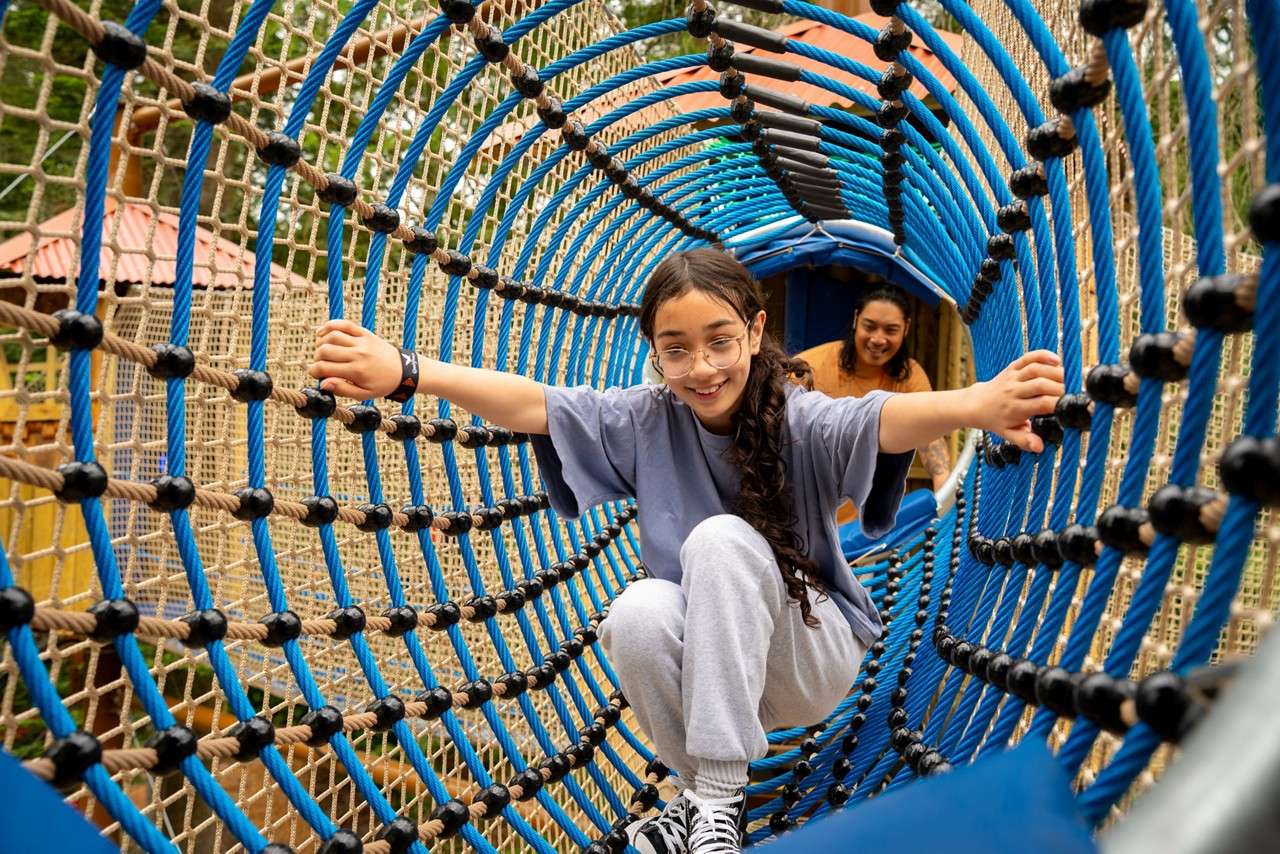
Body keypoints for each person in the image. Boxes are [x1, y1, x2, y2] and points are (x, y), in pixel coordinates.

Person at [307, 248, 1064, 854]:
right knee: (635, 611)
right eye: (677, 350)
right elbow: (533, 402)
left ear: (756, 333)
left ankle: (716, 797)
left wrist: (978, 404)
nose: (701, 368)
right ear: (656, 355)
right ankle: (705, 807)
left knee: (721, 539)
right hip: (712, 671)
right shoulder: (645, 418)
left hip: (806, 656)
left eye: (719, 342)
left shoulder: (799, 417)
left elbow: (881, 418)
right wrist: (407, 374)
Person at [796, 286, 951, 510]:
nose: (878, 339)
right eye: (870, 327)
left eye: (891, 330)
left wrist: (945, 498)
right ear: (856, 320)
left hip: (873, 523)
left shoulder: (909, 376)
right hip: (812, 510)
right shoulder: (811, 366)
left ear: (906, 328)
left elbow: (930, 436)